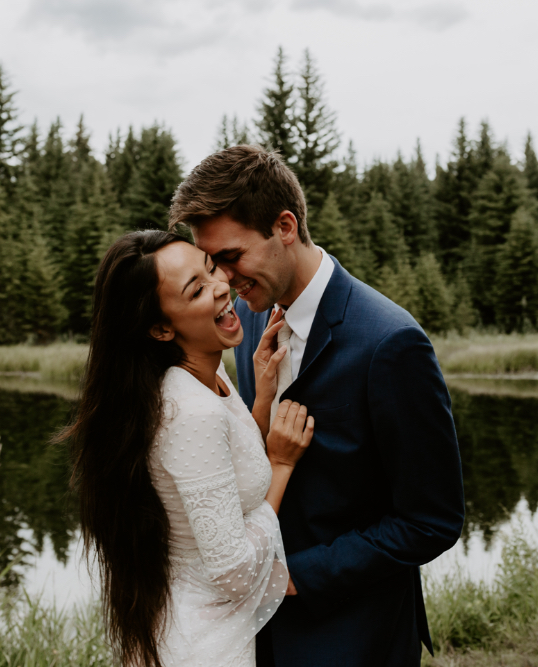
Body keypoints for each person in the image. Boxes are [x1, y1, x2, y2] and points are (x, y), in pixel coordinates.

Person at [168, 145, 465, 666]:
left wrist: (295, 578)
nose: (225, 282)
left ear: (284, 226)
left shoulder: (390, 343)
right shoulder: (254, 319)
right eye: (213, 264)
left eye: (233, 258)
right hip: (254, 632)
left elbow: (431, 519)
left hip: (354, 632)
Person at [60, 230, 315, 666]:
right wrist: (281, 464)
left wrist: (260, 402)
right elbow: (233, 572)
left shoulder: (204, 376)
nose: (221, 287)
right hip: (203, 648)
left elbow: (227, 472)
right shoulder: (191, 411)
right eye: (197, 289)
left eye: (211, 267)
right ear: (161, 328)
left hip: (198, 629)